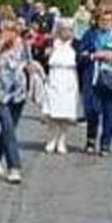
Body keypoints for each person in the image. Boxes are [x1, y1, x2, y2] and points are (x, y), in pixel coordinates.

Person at [78, 5, 112, 157]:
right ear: (97, 20)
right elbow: (80, 55)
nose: (106, 23)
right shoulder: (90, 34)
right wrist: (94, 55)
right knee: (92, 111)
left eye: (109, 20)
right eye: (103, 20)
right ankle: (91, 139)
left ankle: (105, 144)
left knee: (110, 114)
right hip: (94, 79)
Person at [0, 21, 30, 184]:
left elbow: (29, 64)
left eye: (12, 30)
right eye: (5, 30)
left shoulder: (22, 45)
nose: (9, 33)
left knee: (8, 129)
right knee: (8, 126)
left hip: (18, 93)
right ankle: (14, 167)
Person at [38, 19, 81, 154]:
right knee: (52, 110)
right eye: (63, 29)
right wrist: (46, 55)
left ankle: (62, 139)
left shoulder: (76, 44)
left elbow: (81, 61)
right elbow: (41, 59)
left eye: (69, 30)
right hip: (54, 77)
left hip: (69, 78)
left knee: (65, 111)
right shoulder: (52, 43)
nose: (66, 32)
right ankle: (52, 138)